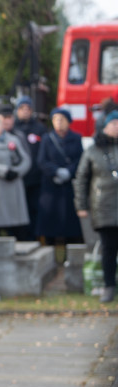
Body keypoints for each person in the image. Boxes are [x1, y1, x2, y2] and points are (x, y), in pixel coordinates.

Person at [75, 110, 118, 303]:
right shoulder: (93, 150)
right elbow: (81, 179)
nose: (117, 127)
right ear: (106, 126)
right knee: (108, 248)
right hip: (104, 206)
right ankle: (109, 286)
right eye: (114, 123)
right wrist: (81, 205)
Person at [35, 108, 83, 254]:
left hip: (69, 186)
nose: (59, 122)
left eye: (62, 119)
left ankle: (70, 256)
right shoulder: (47, 139)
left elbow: (80, 160)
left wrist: (69, 171)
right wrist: (55, 171)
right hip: (51, 187)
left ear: (69, 122)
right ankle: (50, 254)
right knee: (50, 224)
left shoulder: (76, 138)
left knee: (70, 225)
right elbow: (42, 161)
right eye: (56, 119)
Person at [0, 112, 31, 239]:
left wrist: (17, 171)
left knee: (17, 226)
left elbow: (26, 159)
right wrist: (3, 171)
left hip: (13, 186)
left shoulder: (13, 139)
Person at [13, 96, 48, 232]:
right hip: (18, 177)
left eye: (28, 108)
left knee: (34, 208)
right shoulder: (13, 128)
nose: (25, 111)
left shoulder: (40, 128)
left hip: (35, 178)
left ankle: (34, 235)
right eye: (22, 108)